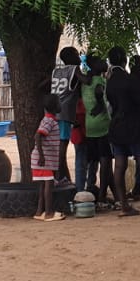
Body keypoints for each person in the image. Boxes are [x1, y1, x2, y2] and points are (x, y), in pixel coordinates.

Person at [106, 48, 140, 217]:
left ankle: (124, 206)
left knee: (119, 166)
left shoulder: (110, 81)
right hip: (133, 125)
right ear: (123, 60)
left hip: (116, 125)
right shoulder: (130, 80)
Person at [79, 52, 115, 206]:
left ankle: (102, 191)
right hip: (102, 124)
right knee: (105, 161)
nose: (104, 62)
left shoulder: (85, 82)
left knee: (93, 160)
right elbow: (100, 94)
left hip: (89, 124)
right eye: (101, 61)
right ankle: (101, 196)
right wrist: (100, 105)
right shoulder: (99, 80)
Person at [50, 46, 82, 182]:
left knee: (58, 149)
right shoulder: (74, 70)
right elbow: (86, 80)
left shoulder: (56, 71)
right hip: (64, 113)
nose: (79, 57)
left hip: (53, 112)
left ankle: (66, 180)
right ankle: (56, 180)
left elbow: (45, 84)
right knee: (61, 151)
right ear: (71, 58)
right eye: (77, 55)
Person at [31, 94, 63, 221]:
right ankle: (49, 212)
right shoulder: (49, 121)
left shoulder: (48, 120)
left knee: (43, 186)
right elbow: (38, 136)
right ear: (55, 107)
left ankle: (39, 212)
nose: (61, 104)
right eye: (59, 102)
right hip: (44, 160)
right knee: (49, 185)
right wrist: (42, 156)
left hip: (44, 160)